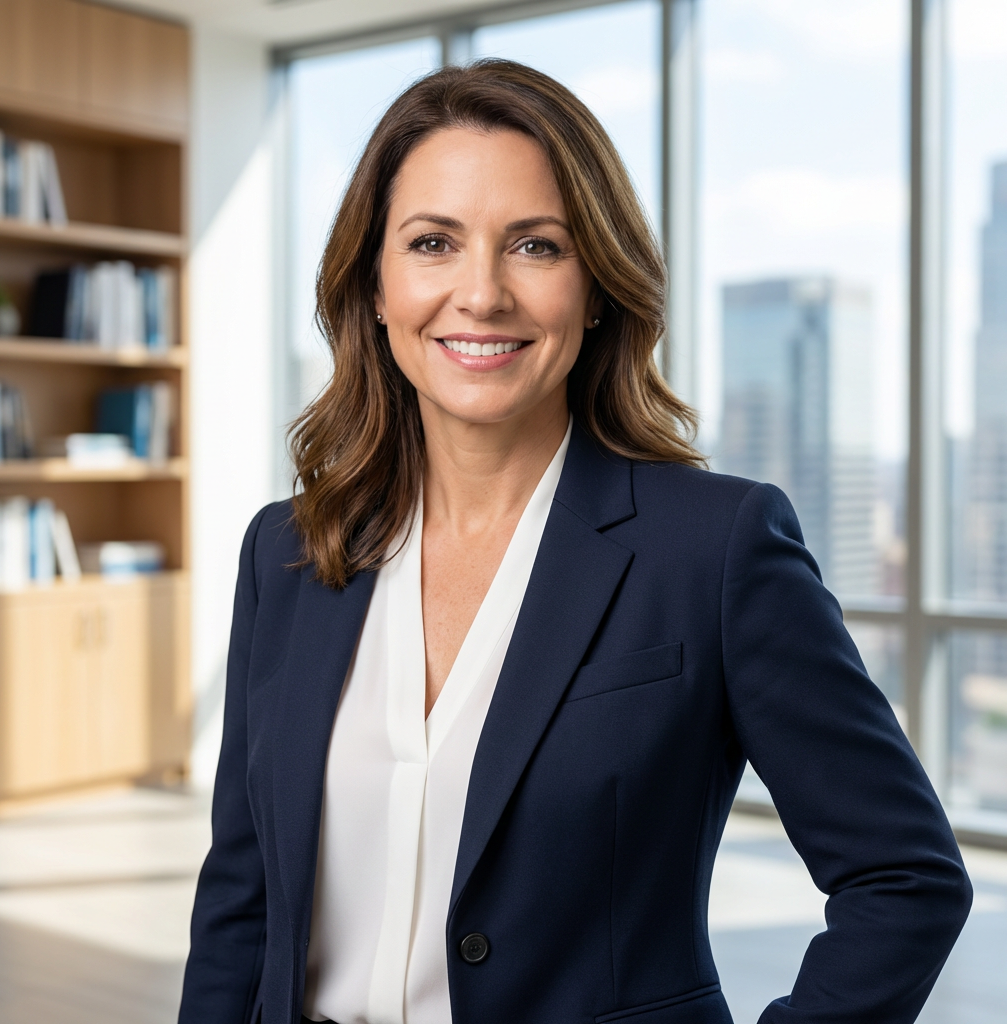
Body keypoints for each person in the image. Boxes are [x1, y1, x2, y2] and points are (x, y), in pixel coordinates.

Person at [178, 60, 971, 1024]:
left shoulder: (714, 549)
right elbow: (241, 903)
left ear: (596, 286)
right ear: (374, 286)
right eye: (432, 242)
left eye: (536, 247)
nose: (481, 294)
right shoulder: (289, 554)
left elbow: (905, 878)